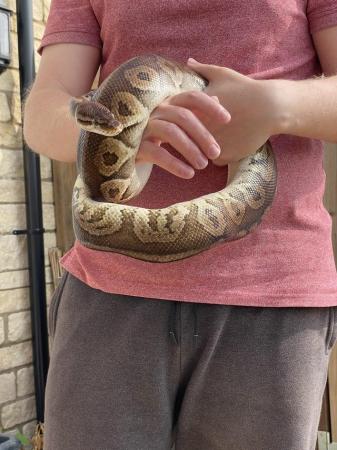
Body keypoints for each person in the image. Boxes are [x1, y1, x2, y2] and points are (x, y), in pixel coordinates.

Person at [24, 0, 337, 449]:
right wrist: (116, 134)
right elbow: (43, 111)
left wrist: (273, 105)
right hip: (108, 294)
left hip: (272, 300)